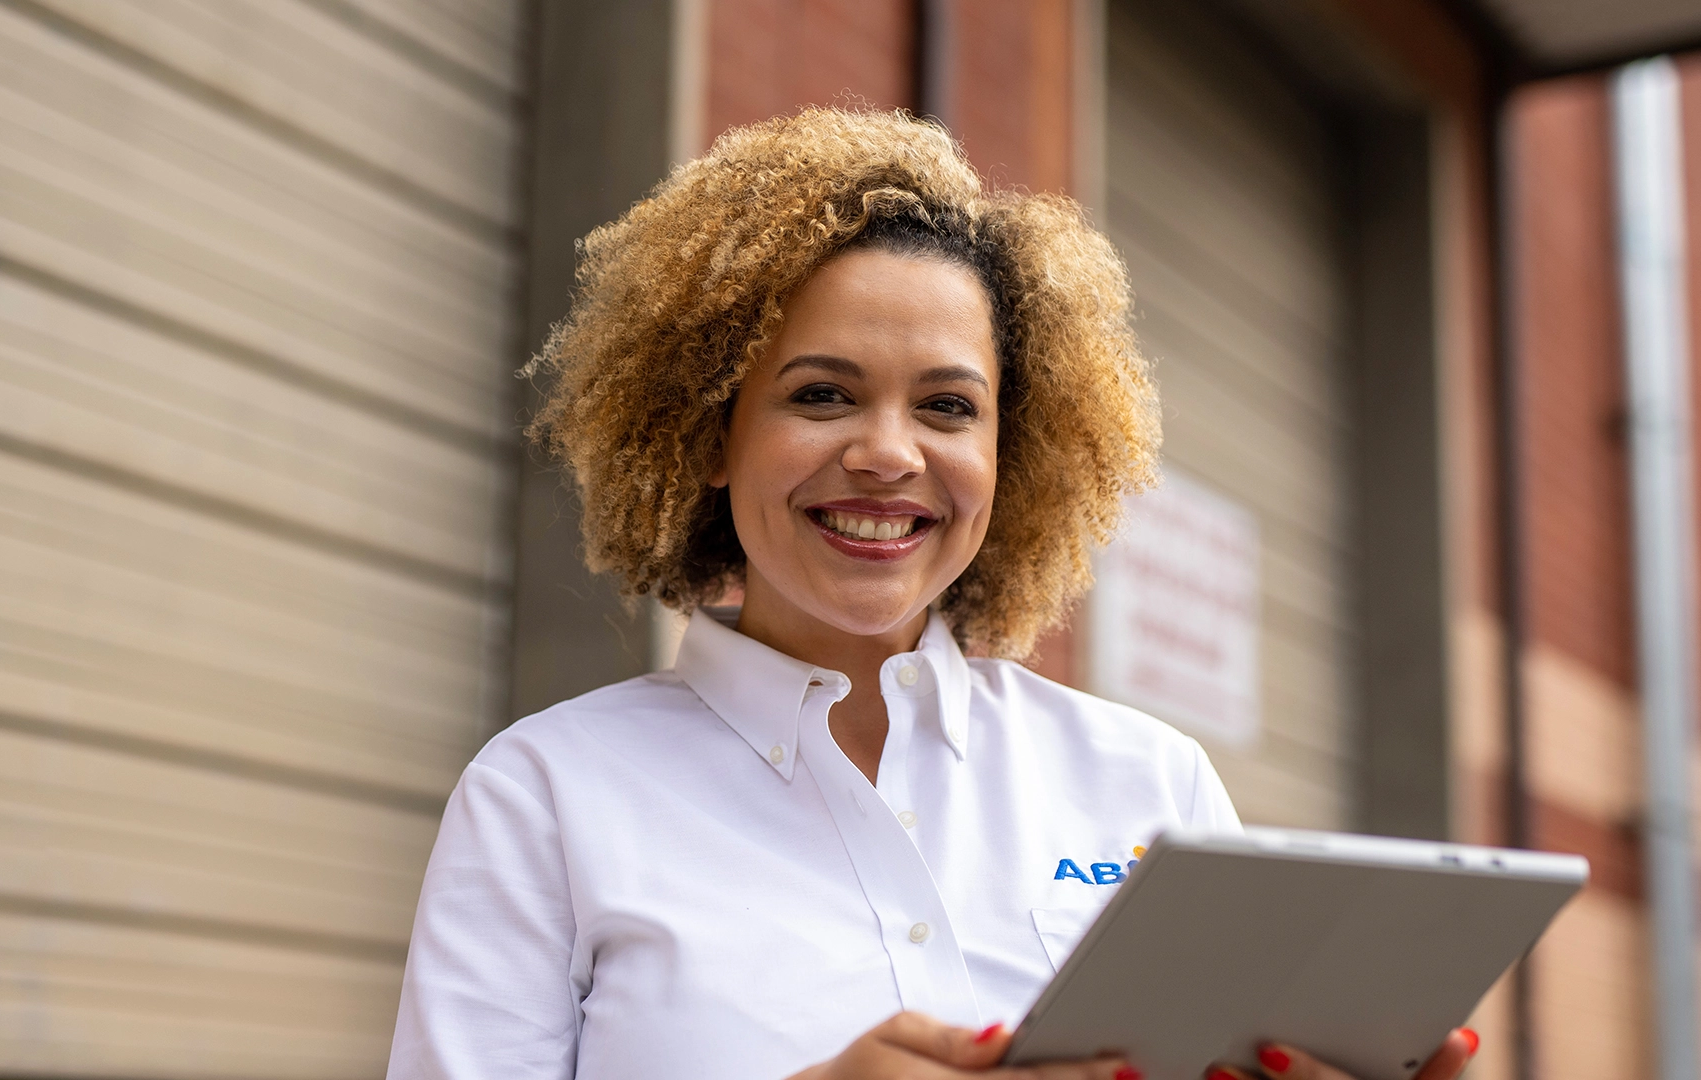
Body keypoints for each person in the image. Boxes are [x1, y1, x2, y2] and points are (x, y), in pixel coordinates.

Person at [387, 108, 1479, 1080]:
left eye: (949, 408)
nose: (887, 454)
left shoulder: (1153, 784)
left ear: (1016, 452)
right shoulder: (546, 795)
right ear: (713, 433)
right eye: (822, 394)